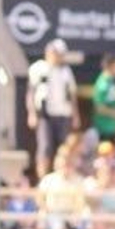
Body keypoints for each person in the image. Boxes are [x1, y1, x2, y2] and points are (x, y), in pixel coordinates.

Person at [28, 39, 80, 181]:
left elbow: (72, 94)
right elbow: (31, 93)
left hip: (64, 115)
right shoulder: (38, 68)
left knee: (64, 149)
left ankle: (63, 178)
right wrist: (31, 113)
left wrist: (76, 115)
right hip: (45, 115)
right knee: (45, 148)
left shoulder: (66, 71)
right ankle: (43, 181)